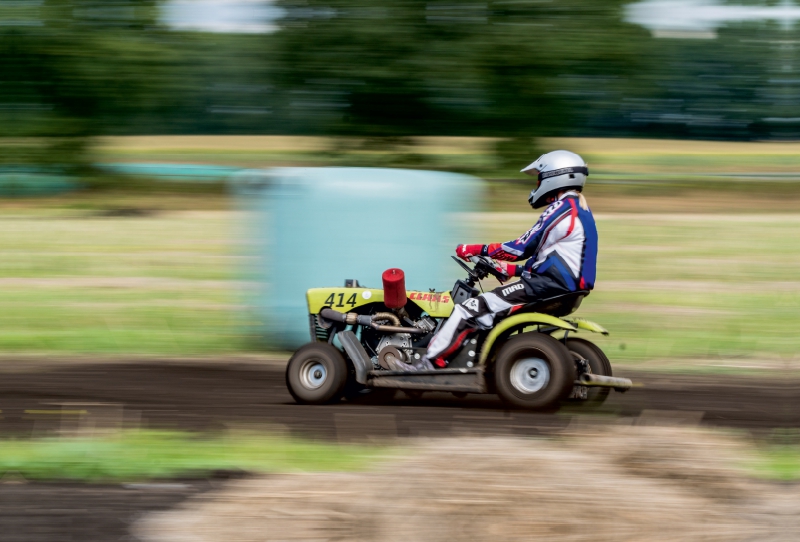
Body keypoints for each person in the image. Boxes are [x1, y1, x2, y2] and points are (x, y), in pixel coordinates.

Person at [418, 149, 599, 368]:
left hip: (546, 287)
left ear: (554, 176)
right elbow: (556, 263)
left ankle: (427, 363)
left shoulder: (561, 209)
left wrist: (474, 248)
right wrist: (512, 271)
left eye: (540, 177)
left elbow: (520, 248)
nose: (537, 183)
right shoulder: (581, 210)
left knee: (469, 308)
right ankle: (472, 359)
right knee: (486, 313)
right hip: (560, 287)